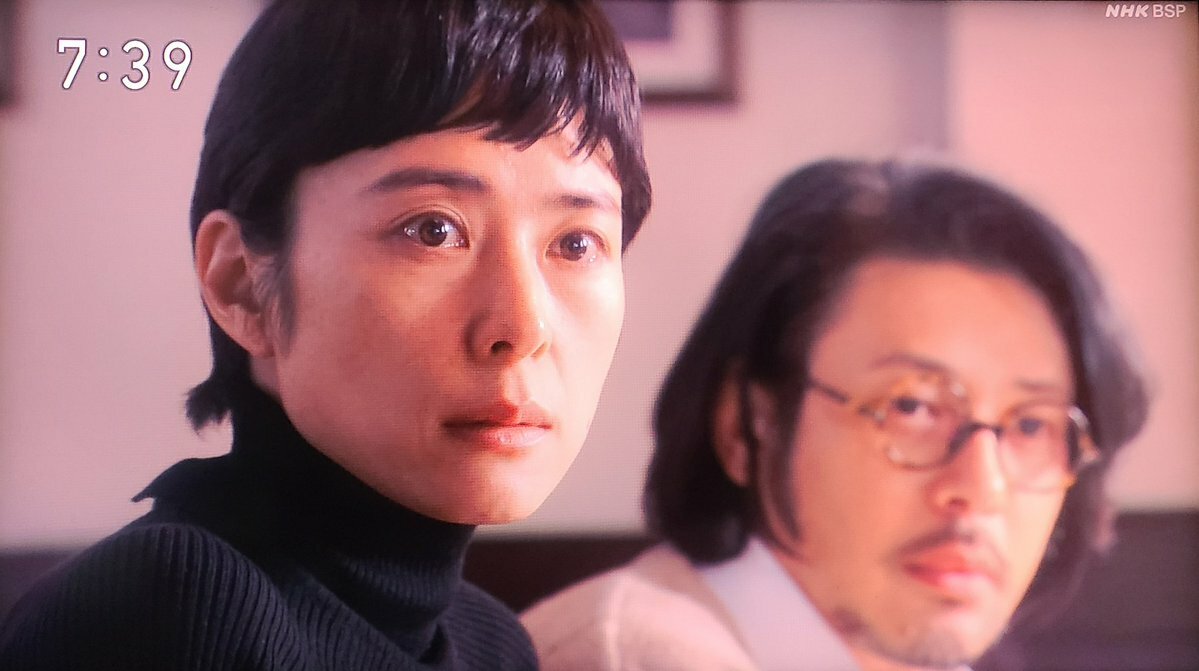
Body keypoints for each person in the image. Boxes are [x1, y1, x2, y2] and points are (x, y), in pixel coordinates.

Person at [0, 0, 649, 669]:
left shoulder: (493, 642)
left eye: (576, 243)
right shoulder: (181, 606)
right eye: (432, 230)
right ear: (242, 283)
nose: (522, 326)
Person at [522, 158, 1148, 671]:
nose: (982, 488)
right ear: (747, 424)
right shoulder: (636, 655)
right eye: (912, 406)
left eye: (1031, 424)